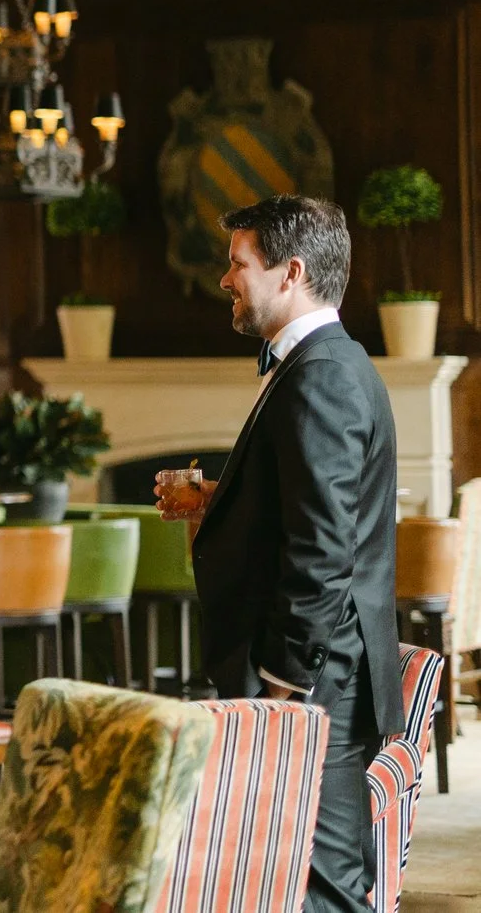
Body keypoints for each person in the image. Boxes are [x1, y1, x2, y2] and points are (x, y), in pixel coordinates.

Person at [158, 195, 398, 913]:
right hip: (324, 680)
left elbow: (323, 551)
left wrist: (280, 687)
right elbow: (307, 504)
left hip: (315, 685)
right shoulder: (328, 363)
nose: (226, 278)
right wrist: (218, 497)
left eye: (238, 263)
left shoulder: (321, 376)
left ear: (290, 271)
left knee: (322, 893)